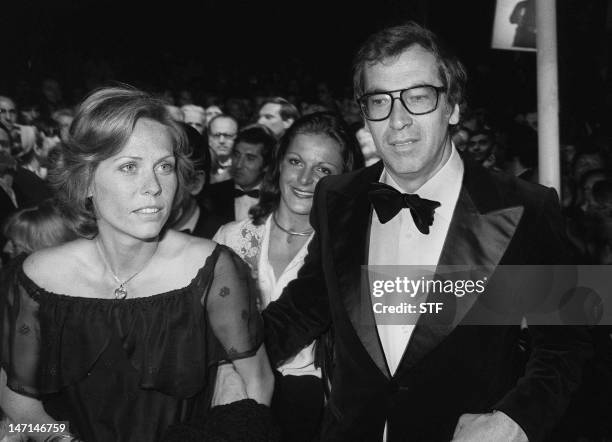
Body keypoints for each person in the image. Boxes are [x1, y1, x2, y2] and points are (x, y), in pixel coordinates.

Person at [261, 21, 591, 441]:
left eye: (417, 98)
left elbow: (567, 344)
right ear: (364, 113)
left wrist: (516, 421)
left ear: (452, 106)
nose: (397, 121)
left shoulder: (527, 207)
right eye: (379, 101)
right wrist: (229, 354)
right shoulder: (335, 197)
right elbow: (306, 305)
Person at [0, 86, 274, 442]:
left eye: (165, 167)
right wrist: (59, 438)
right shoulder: (34, 280)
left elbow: (258, 382)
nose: (154, 186)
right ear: (85, 180)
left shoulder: (213, 269)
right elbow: (17, 410)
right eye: (129, 167)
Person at [214, 112, 360, 441]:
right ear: (279, 162)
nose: (305, 179)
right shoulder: (230, 238)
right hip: (235, 394)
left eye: (323, 170)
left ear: (342, 180)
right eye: (296, 161)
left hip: (312, 411)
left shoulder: (346, 253)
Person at [203, 124, 276, 234]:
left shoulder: (276, 198)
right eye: (236, 155)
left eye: (250, 158)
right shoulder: (211, 194)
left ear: (266, 166)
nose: (239, 164)